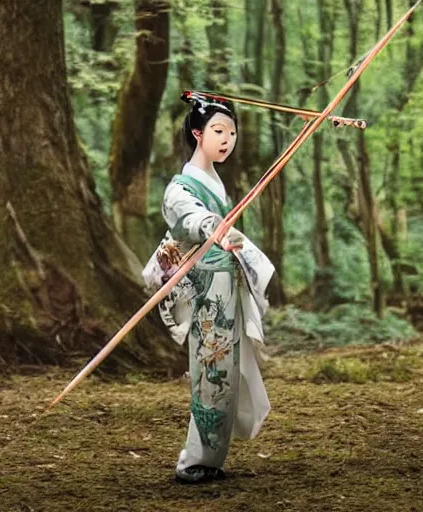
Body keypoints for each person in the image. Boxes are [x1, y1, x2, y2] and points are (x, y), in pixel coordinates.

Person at [142, 93, 274, 484]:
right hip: (207, 289)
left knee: (226, 370)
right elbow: (185, 214)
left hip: (225, 284)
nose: (227, 139)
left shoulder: (213, 181)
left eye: (232, 132)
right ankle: (195, 460)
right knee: (212, 369)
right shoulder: (181, 186)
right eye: (218, 130)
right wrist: (210, 227)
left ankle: (209, 458)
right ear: (197, 133)